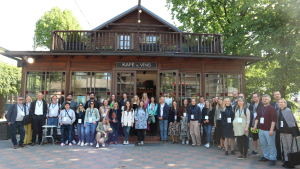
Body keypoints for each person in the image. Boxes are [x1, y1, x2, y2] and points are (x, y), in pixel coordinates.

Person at [253, 94, 277, 166]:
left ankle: (273, 158)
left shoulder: (272, 108)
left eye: (266, 99)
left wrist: (271, 130)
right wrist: (255, 126)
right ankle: (266, 156)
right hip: (261, 129)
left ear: (269, 100)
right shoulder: (260, 108)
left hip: (269, 130)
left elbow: (274, 120)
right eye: (263, 99)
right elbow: (257, 118)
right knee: (263, 144)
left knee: (271, 145)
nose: (264, 100)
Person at [277, 98, 299, 168]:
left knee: (290, 147)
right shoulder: (278, 111)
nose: (280, 103)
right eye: (279, 102)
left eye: (282, 102)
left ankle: (291, 162)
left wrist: (295, 133)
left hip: (289, 132)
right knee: (285, 147)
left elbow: (293, 121)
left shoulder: (288, 110)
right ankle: (286, 160)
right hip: (282, 132)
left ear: (285, 103)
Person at [271, 91, 291, 161]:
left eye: (278, 94)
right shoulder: (272, 104)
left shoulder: (287, 104)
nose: (276, 96)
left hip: (284, 126)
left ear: (280, 95)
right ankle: (278, 155)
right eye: (275, 94)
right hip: (275, 125)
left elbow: (289, 116)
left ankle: (285, 156)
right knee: (276, 141)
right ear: (273, 96)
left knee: (284, 141)